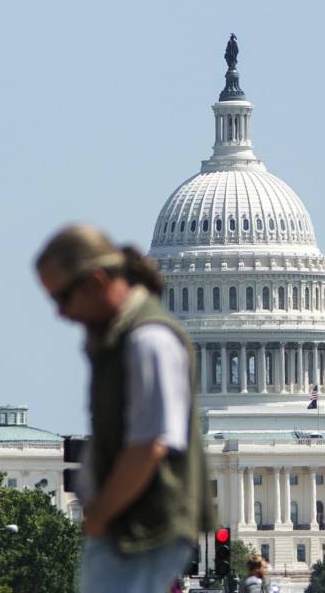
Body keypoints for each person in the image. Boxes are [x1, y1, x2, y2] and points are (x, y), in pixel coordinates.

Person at [36, 224, 213, 593]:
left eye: (63, 298)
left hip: (142, 530)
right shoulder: (119, 338)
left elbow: (150, 444)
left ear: (97, 281)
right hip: (127, 528)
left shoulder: (149, 340)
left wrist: (100, 513)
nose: (60, 314)